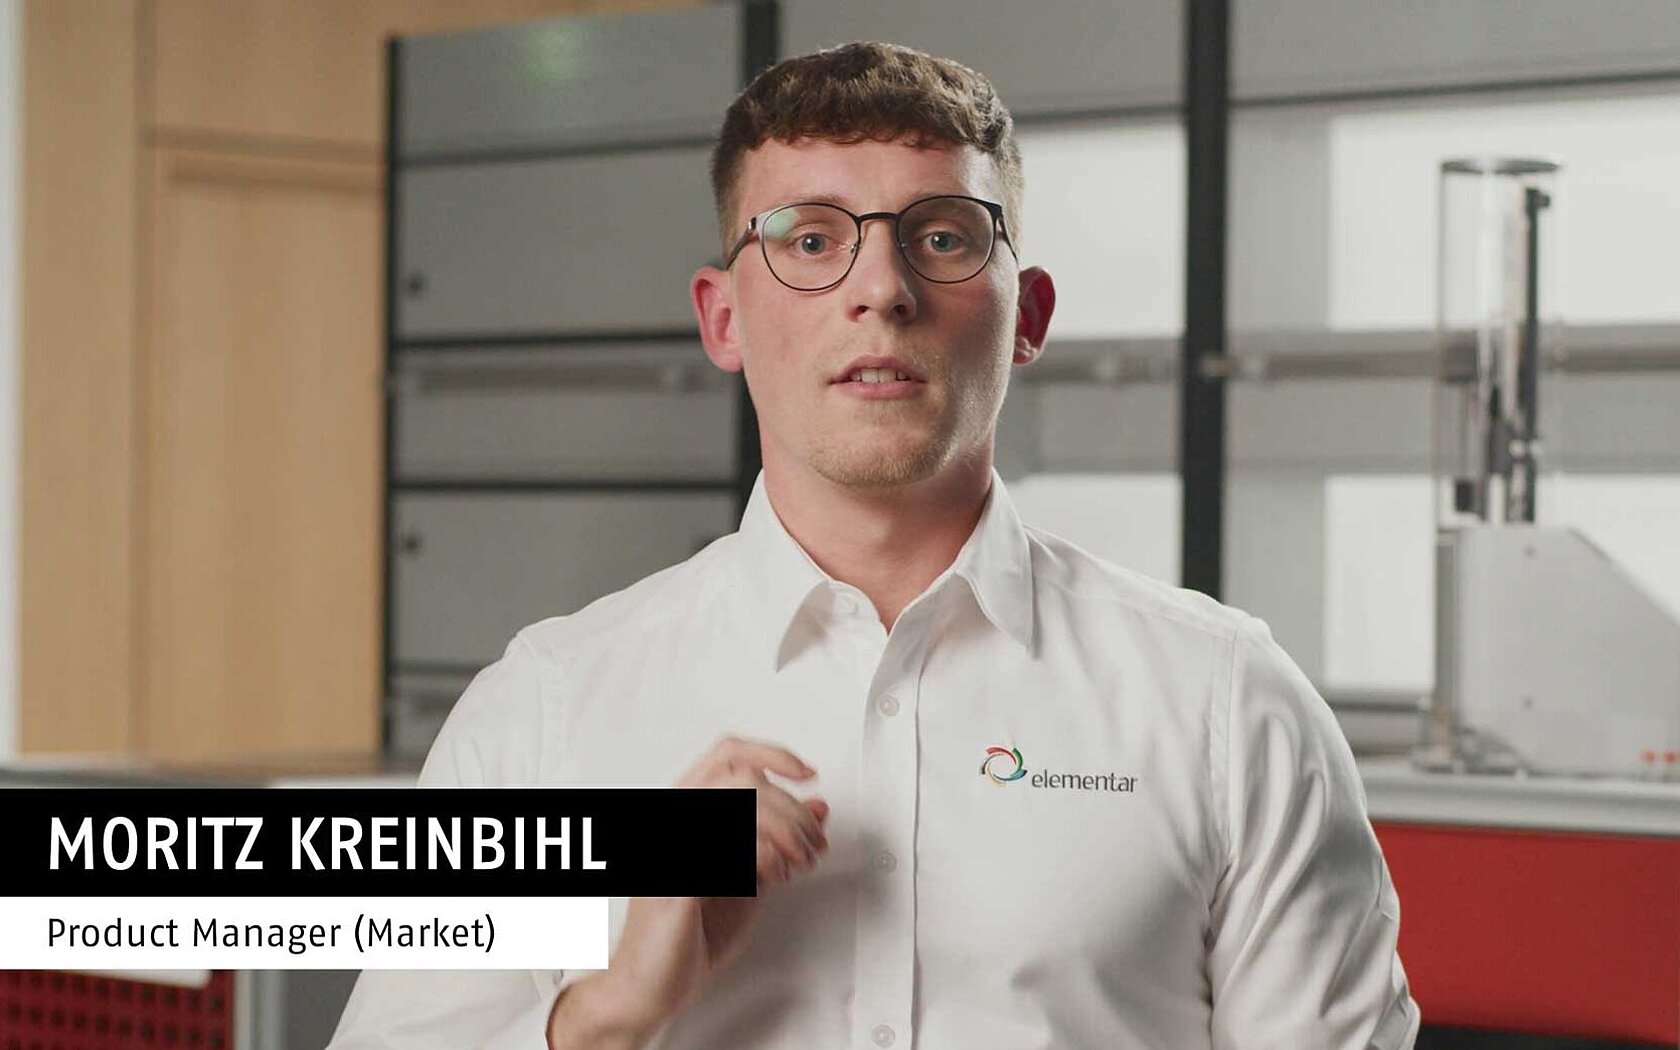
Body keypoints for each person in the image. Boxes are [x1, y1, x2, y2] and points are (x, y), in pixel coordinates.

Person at [330, 40, 1419, 1050]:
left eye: (942, 237)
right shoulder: (542, 716)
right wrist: (606, 1013)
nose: (881, 291)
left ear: (1027, 313)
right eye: (810, 240)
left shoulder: (1228, 707)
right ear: (722, 320)